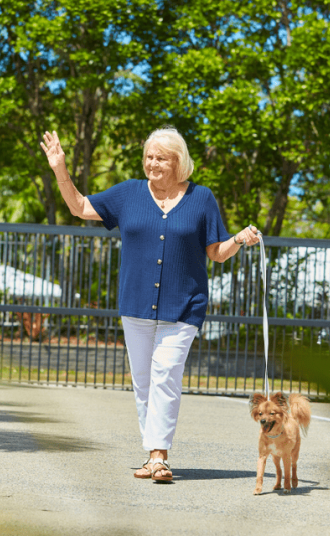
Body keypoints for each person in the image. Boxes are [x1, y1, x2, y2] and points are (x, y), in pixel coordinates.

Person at [40, 127, 260, 482]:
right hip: (136, 304)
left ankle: (159, 456)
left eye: (160, 157)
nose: (152, 163)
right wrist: (59, 168)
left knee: (165, 376)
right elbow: (79, 207)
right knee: (144, 382)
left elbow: (216, 254)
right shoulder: (129, 193)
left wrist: (237, 239)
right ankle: (153, 453)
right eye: (148, 156)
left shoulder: (202, 198)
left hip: (184, 306)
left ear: (178, 161)